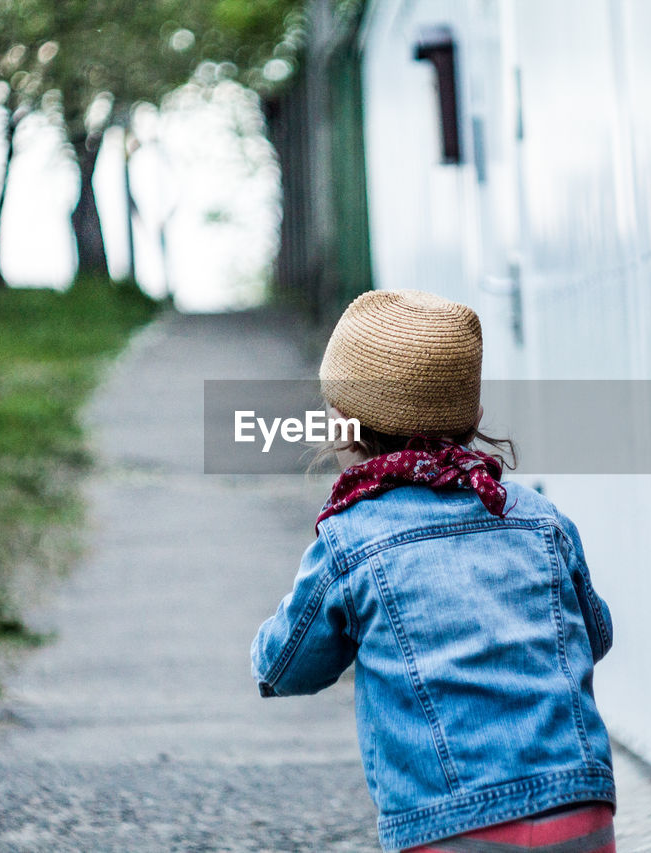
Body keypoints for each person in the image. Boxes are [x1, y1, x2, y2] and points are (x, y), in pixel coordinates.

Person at [251, 289, 616, 852]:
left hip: (451, 821)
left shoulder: (353, 539)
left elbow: (287, 667)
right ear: (472, 418)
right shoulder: (540, 519)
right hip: (580, 805)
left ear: (345, 425)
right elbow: (595, 635)